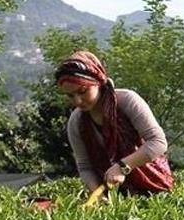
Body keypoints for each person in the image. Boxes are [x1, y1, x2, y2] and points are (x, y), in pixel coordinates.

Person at [55, 50, 173, 195]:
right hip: (113, 193)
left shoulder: (127, 101)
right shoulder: (76, 122)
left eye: (83, 91)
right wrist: (97, 194)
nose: (77, 101)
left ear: (98, 82)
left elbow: (158, 143)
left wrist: (123, 166)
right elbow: (85, 167)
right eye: (70, 95)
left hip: (153, 185)